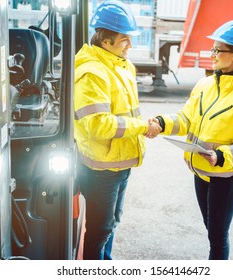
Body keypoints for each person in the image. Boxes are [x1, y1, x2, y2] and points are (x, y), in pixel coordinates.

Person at [149, 20, 233, 260]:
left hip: (224, 179)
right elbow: (187, 119)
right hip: (200, 173)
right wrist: (162, 123)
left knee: (217, 237)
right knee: (211, 230)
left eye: (218, 50)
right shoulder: (204, 85)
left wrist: (222, 156)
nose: (212, 54)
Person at [74, 0, 161, 260]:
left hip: (120, 161)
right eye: (125, 40)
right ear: (105, 41)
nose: (130, 45)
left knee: (111, 224)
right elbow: (98, 124)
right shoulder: (92, 73)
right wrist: (143, 126)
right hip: (103, 168)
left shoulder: (121, 66)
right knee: (100, 229)